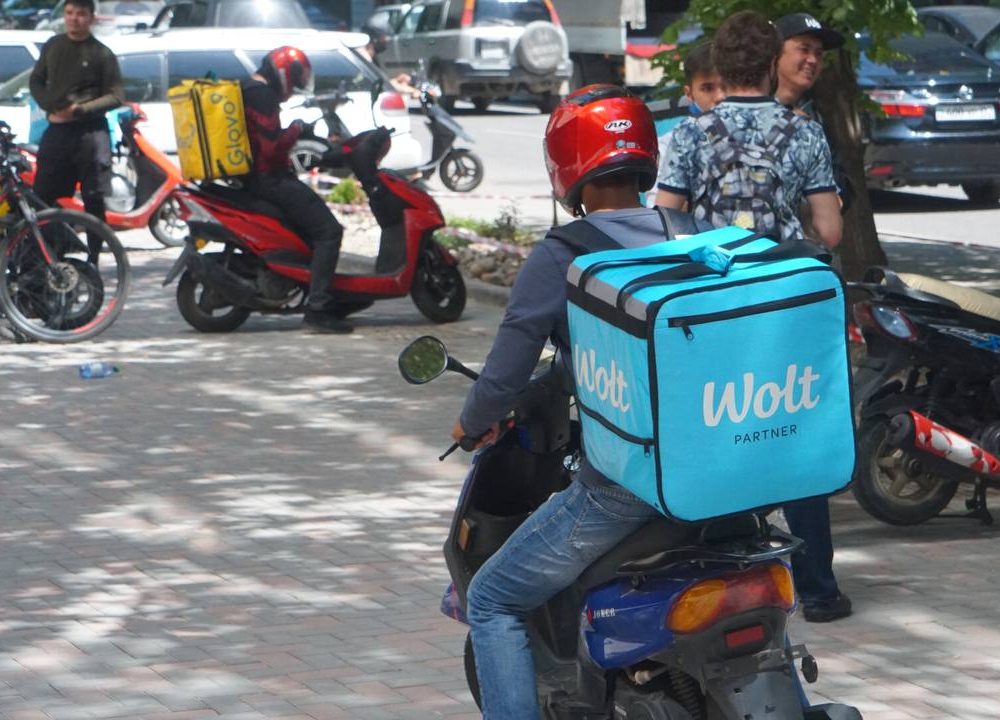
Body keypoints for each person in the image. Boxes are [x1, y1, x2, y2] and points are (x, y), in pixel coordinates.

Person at [451, 85, 694, 718]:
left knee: (492, 600)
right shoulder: (689, 235)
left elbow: (507, 371)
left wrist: (471, 422)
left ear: (567, 166)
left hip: (626, 486)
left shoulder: (563, 254)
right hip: (721, 476)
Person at [774, 11, 853, 624]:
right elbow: (828, 229)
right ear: (772, 54)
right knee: (791, 437)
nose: (812, 60)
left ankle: (809, 586)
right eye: (802, 48)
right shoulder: (800, 132)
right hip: (785, 303)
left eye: (818, 53)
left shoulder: (706, 126)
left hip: (729, 307)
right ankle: (816, 590)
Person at [655, 11, 842, 251]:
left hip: (713, 269)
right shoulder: (807, 132)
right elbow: (830, 232)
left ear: (720, 66)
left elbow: (664, 220)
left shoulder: (690, 130)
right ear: (773, 64)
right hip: (782, 269)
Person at [241, 46, 354, 334]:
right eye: (294, 80)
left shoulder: (248, 88)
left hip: (257, 178)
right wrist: (296, 130)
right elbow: (270, 148)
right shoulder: (262, 95)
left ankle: (319, 291)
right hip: (270, 180)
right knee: (328, 231)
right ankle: (318, 309)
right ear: (284, 73)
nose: (292, 89)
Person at [29, 0, 124, 262]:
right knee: (44, 197)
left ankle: (94, 259)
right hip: (57, 133)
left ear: (91, 18)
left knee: (94, 198)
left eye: (81, 14)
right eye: (69, 13)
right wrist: (51, 106)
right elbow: (36, 81)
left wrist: (81, 110)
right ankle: (48, 259)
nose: (74, 19)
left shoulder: (101, 53)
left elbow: (116, 96)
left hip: (90, 134)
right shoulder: (53, 46)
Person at [651, 41, 724, 203]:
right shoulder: (668, 145)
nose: (719, 97)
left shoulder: (762, 134)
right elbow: (661, 211)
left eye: (726, 86)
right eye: (707, 88)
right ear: (689, 94)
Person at [359, 24, 423, 99]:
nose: (386, 40)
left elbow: (382, 82)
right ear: (375, 40)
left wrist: (397, 80)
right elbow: (382, 86)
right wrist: (413, 91)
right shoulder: (365, 59)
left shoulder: (372, 57)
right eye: (383, 37)